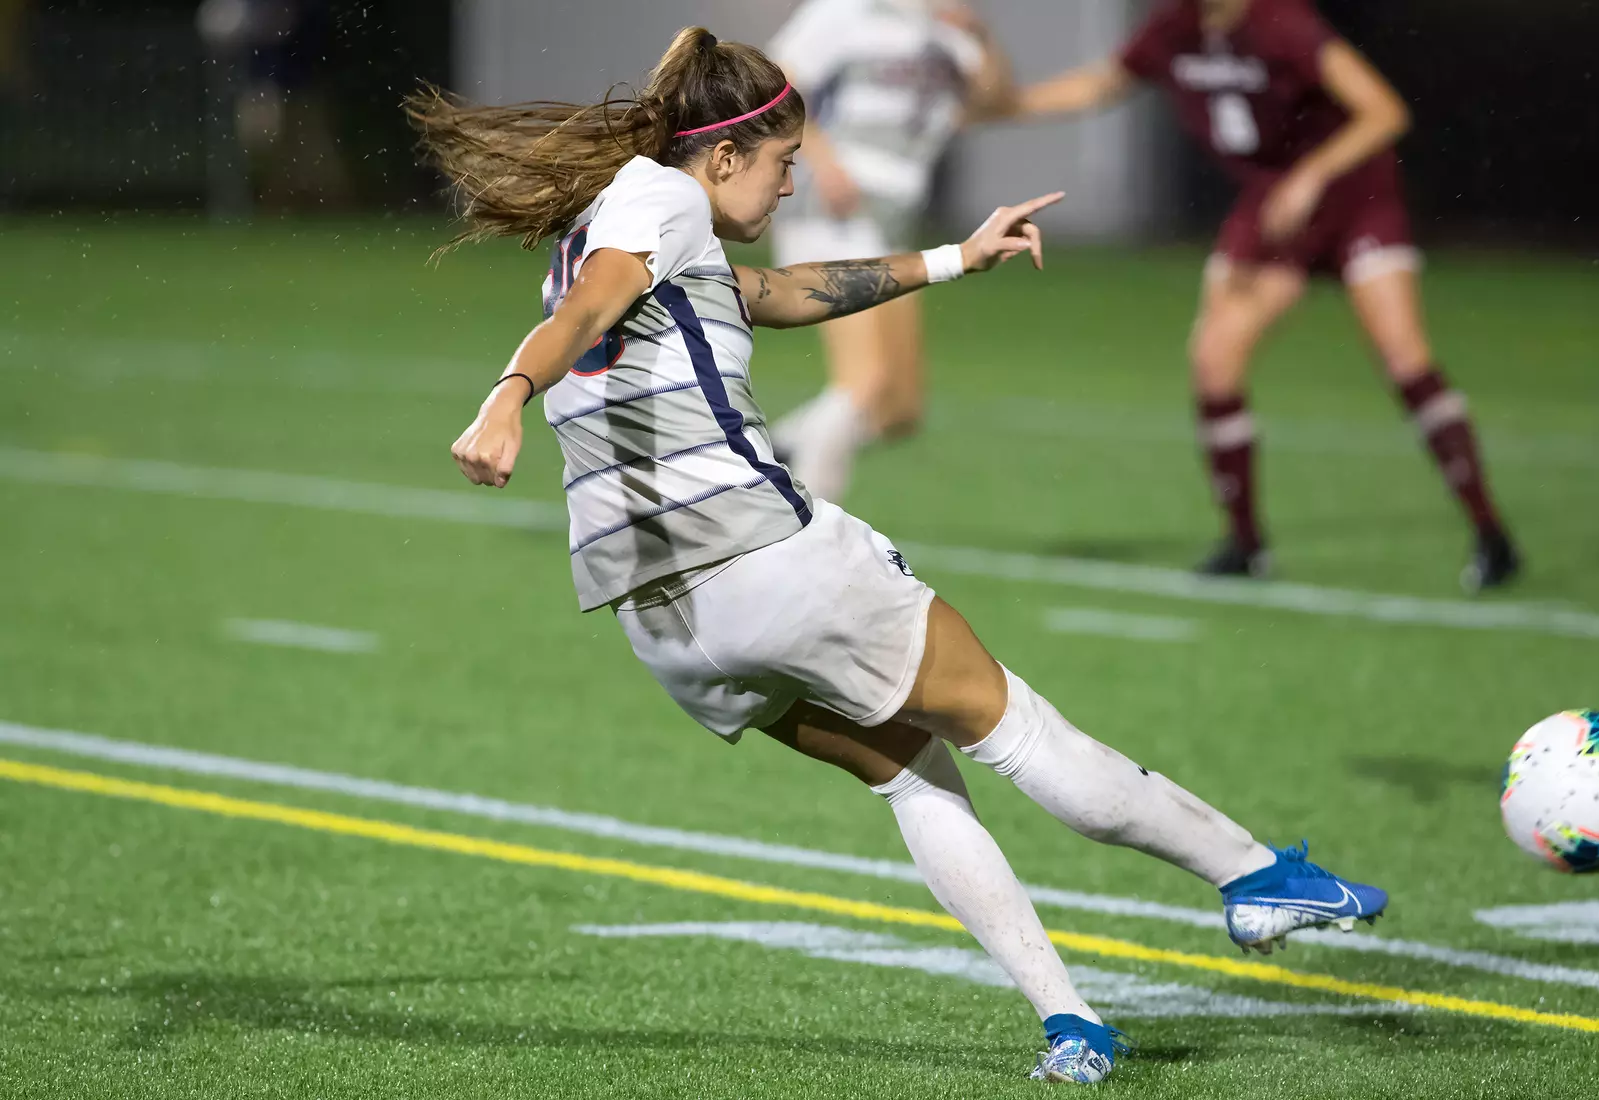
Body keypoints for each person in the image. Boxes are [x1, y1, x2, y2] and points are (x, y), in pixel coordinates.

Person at [408, 26, 1386, 1085]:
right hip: (761, 560)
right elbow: (598, 299)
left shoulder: (628, 212)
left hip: (665, 628)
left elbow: (777, 295)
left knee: (910, 770)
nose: (791, 185)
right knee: (1020, 728)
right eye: (783, 163)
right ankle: (1253, 871)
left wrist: (956, 256)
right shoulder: (666, 200)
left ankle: (1073, 1025)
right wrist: (507, 397)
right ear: (724, 155)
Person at [1016, 0, 1520, 591]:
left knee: (1405, 358)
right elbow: (1102, 83)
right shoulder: (1176, 25)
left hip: (1355, 198)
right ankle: (1245, 544)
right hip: (1276, 207)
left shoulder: (1283, 22)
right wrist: (1005, 105)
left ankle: (1492, 535)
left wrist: (1312, 175)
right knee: (1215, 360)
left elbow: (1384, 111)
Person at [765, 0, 1015, 502]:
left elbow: (995, 103)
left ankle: (770, 456)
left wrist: (980, 36)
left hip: (891, 220)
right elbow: (774, 89)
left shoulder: (951, 31)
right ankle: (806, 530)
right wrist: (825, 163)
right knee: (865, 383)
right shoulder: (846, 11)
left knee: (898, 410)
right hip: (836, 208)